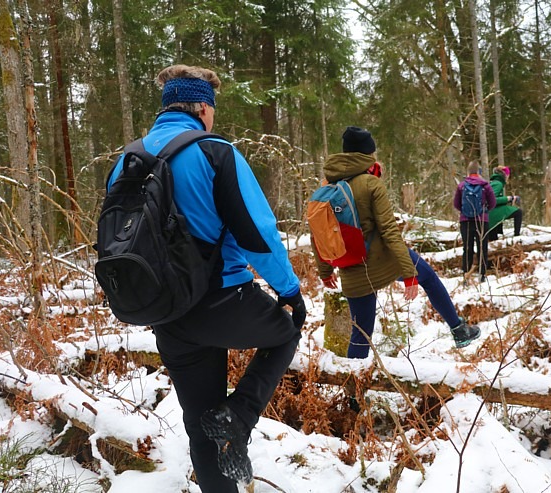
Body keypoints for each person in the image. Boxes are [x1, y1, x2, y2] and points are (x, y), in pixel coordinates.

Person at [105, 65, 306, 492]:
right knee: (285, 333)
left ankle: (222, 436)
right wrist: (289, 290)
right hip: (223, 301)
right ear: (201, 107)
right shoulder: (215, 151)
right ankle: (239, 417)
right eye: (211, 108)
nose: (212, 116)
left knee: (200, 426)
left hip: (164, 311)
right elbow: (258, 234)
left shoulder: (126, 159)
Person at [314, 126, 481, 359]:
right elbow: (390, 231)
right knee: (429, 278)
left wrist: (325, 270)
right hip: (385, 259)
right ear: (367, 154)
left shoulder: (325, 186)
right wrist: (409, 272)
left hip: (352, 267)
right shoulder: (370, 183)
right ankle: (459, 329)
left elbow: (318, 231)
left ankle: (352, 394)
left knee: (361, 335)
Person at [454, 160, 497, 282]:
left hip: (465, 221)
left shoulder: (462, 186)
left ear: (468, 172)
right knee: (482, 247)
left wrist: (464, 212)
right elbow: (493, 203)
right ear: (479, 171)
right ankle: (482, 274)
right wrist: (484, 211)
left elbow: (456, 204)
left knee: (467, 247)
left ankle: (466, 274)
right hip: (481, 221)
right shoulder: (485, 185)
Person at [488, 165, 523, 241]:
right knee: (518, 212)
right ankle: (517, 236)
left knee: (493, 240)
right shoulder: (498, 184)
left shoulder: (494, 182)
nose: (508, 177)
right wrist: (509, 198)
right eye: (508, 175)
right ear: (505, 175)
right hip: (492, 214)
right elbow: (492, 200)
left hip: (490, 215)